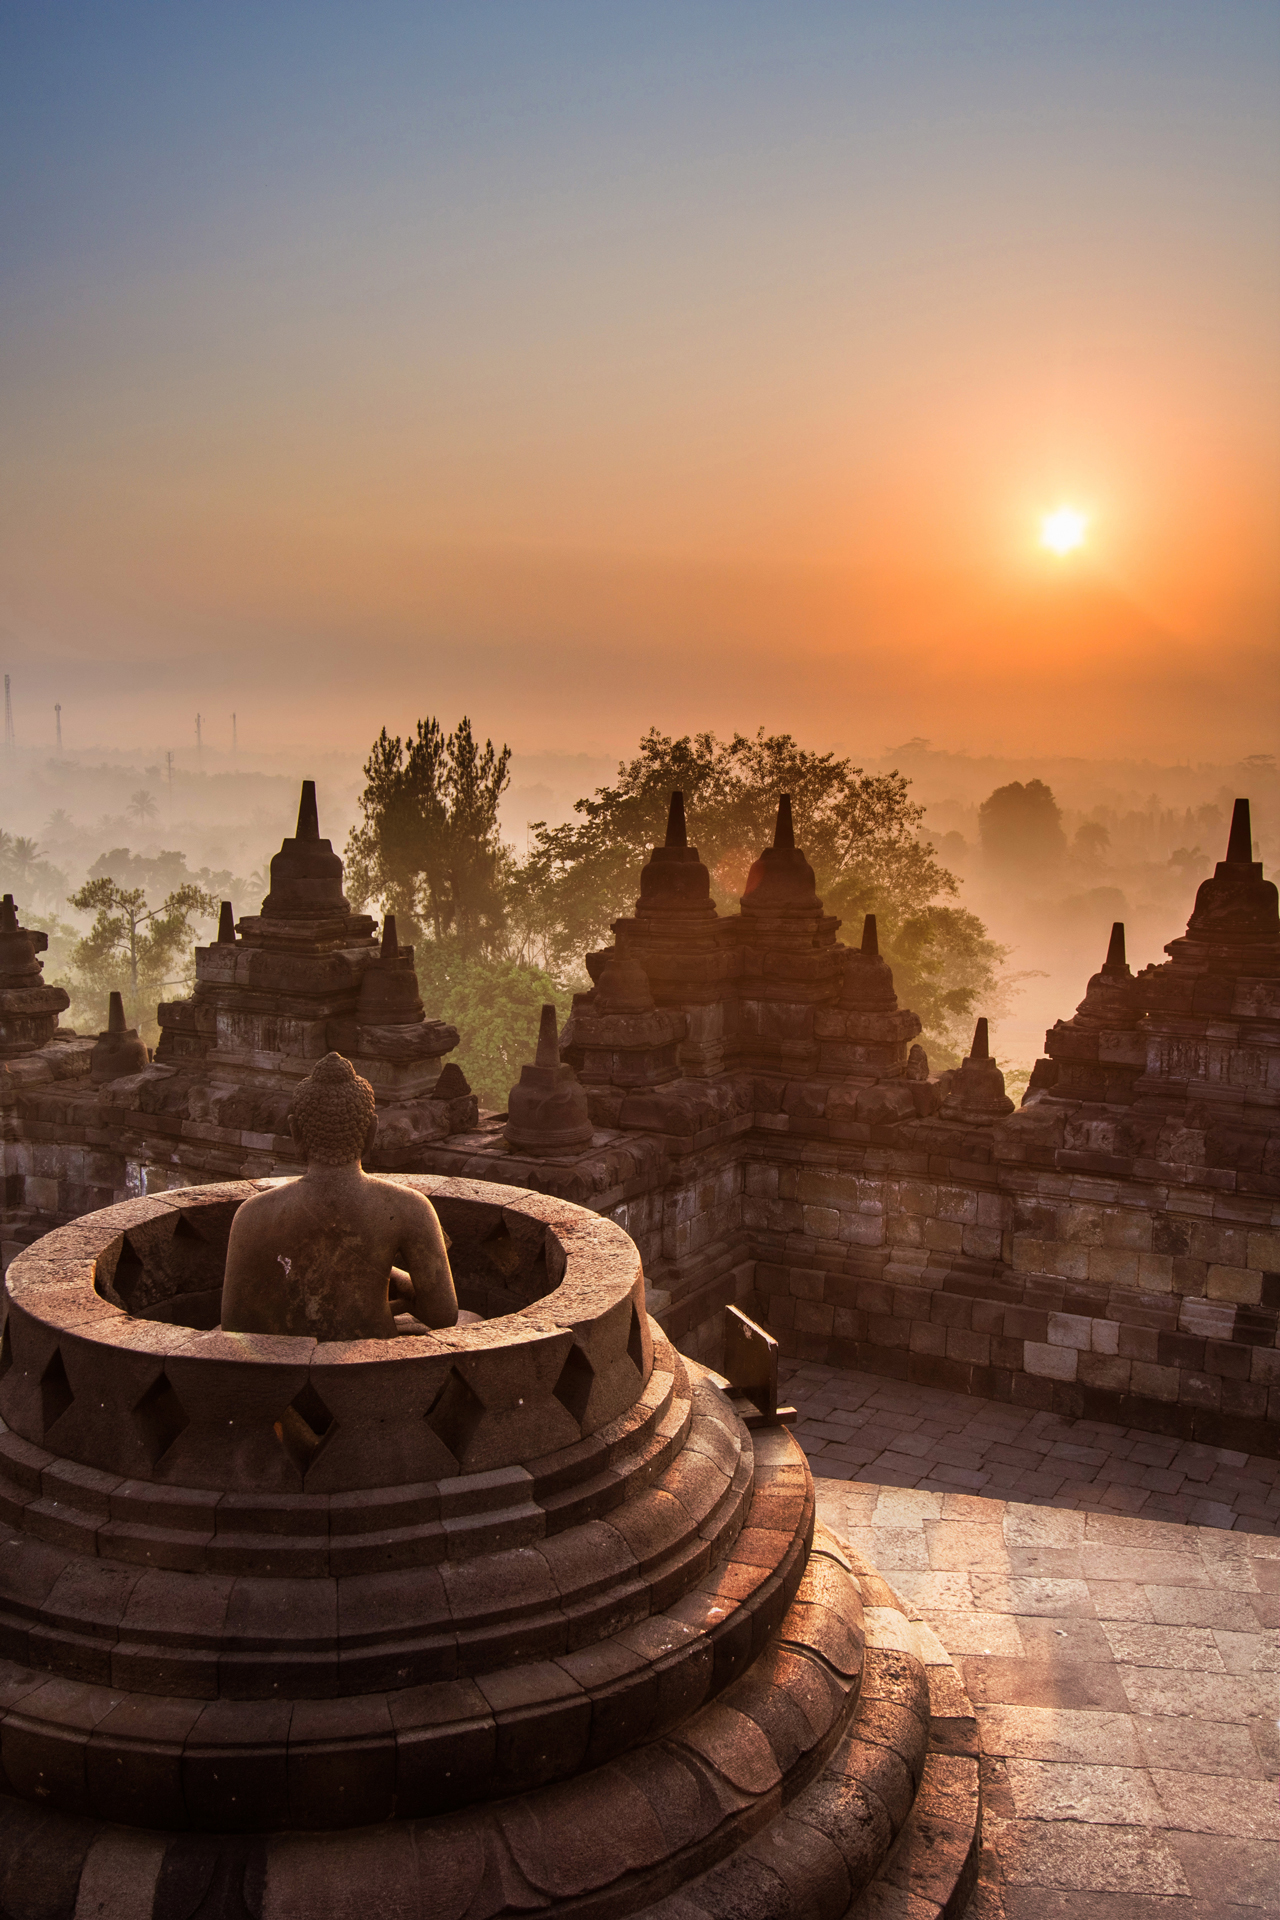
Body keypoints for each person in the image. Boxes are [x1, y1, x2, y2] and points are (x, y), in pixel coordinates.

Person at [221, 1052, 458, 1340]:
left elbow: (233, 1323)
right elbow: (443, 1315)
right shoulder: (410, 1207)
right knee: (472, 1321)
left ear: (296, 1132)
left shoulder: (252, 1214)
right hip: (373, 1360)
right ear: (371, 1132)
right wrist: (391, 1275)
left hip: (285, 1362)